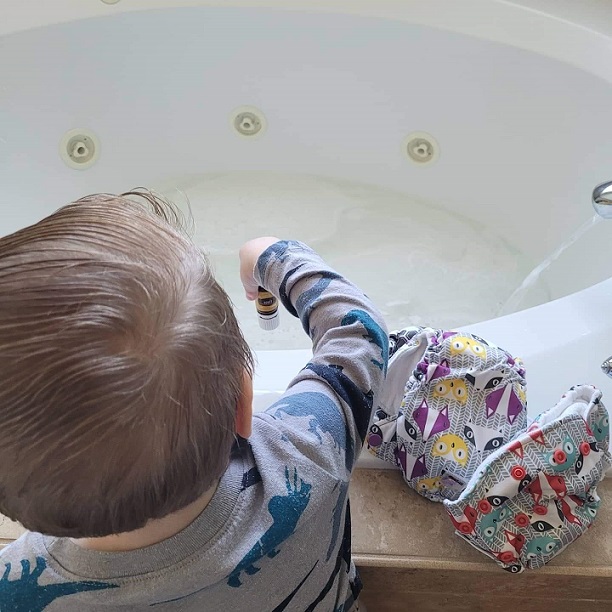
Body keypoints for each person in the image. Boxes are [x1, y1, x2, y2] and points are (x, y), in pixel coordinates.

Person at [0, 190, 387, 611]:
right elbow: (359, 332)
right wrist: (270, 257)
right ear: (243, 404)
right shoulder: (309, 451)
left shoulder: (18, 589)